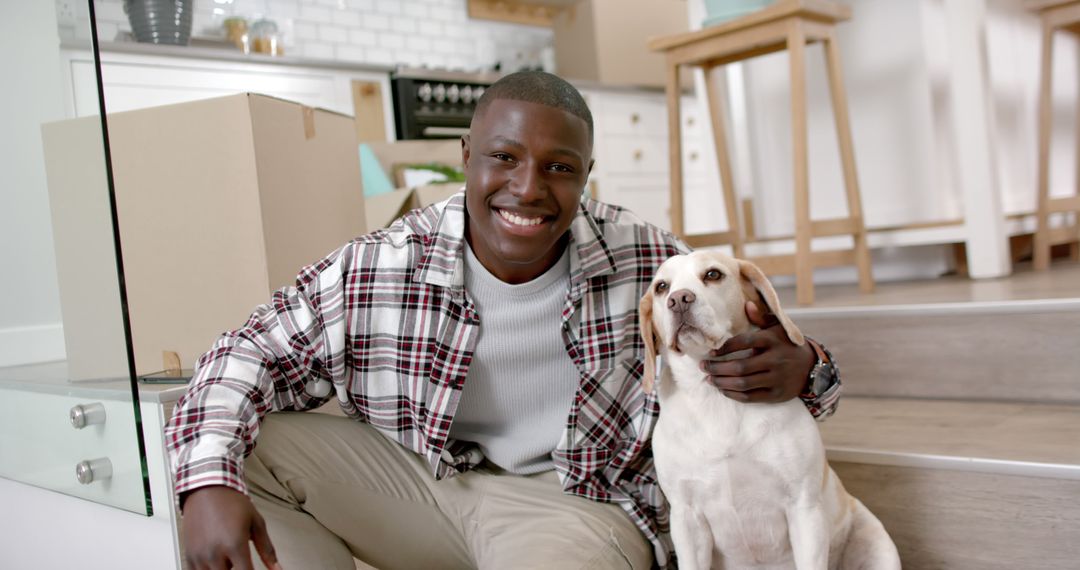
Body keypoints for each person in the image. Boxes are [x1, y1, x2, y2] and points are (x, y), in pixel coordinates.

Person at [166, 71, 841, 570]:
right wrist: (204, 482)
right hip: (424, 486)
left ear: (586, 177)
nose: (527, 188)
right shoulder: (381, 266)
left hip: (576, 507)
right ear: (466, 155)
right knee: (239, 454)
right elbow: (245, 352)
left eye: (559, 168)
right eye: (505, 158)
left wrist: (806, 369)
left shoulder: (652, 263)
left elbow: (789, 357)